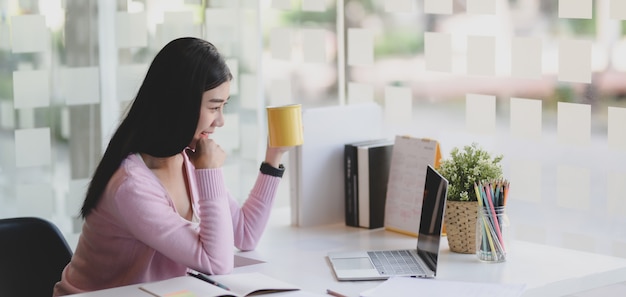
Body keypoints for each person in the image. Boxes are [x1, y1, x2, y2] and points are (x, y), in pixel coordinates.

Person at [53, 37, 291, 296]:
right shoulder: (131, 186)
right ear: (181, 105)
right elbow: (217, 263)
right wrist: (209, 172)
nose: (220, 121)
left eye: (223, 107)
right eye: (214, 107)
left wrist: (274, 156)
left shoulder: (187, 159)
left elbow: (245, 234)